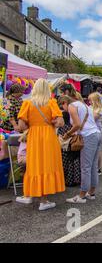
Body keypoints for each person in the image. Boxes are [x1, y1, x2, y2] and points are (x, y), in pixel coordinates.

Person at [15, 79, 65, 211]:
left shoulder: (27, 103)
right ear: (47, 89)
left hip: (34, 137)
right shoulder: (51, 103)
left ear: (35, 88)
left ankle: (29, 194)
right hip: (48, 137)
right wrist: (51, 122)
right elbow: (60, 122)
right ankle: (44, 200)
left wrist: (31, 125)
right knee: (47, 165)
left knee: (34, 165)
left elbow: (20, 126)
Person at [59, 94, 102, 204]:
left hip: (88, 136)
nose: (62, 108)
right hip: (97, 134)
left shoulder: (71, 106)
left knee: (85, 167)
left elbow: (77, 124)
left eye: (61, 105)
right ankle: (91, 193)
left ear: (64, 102)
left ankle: (81, 195)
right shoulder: (83, 105)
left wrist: (67, 134)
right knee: (93, 166)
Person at [89, 92, 102, 175]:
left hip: (97, 132)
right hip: (91, 132)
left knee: (97, 151)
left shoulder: (99, 109)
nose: (89, 102)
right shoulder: (90, 107)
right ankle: (94, 168)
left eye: (90, 100)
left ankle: (98, 168)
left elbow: (92, 119)